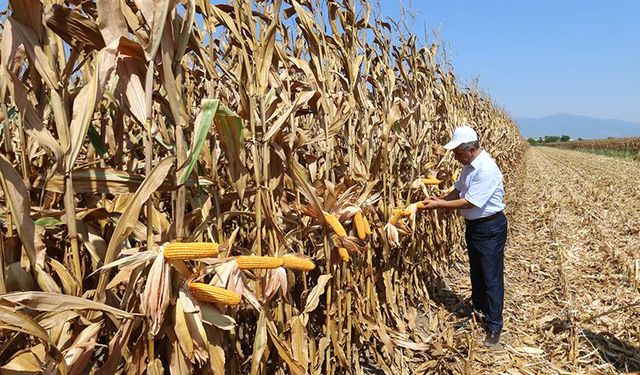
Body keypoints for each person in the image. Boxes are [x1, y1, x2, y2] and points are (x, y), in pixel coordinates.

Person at [422, 125, 507, 347]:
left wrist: (441, 204)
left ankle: (494, 325)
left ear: (471, 149)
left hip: (490, 227)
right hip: (475, 226)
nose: (456, 158)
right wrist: (440, 198)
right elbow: (458, 191)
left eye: (458, 153)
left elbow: (471, 201)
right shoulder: (468, 167)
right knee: (477, 273)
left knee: (491, 277)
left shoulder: (486, 169)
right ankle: (477, 314)